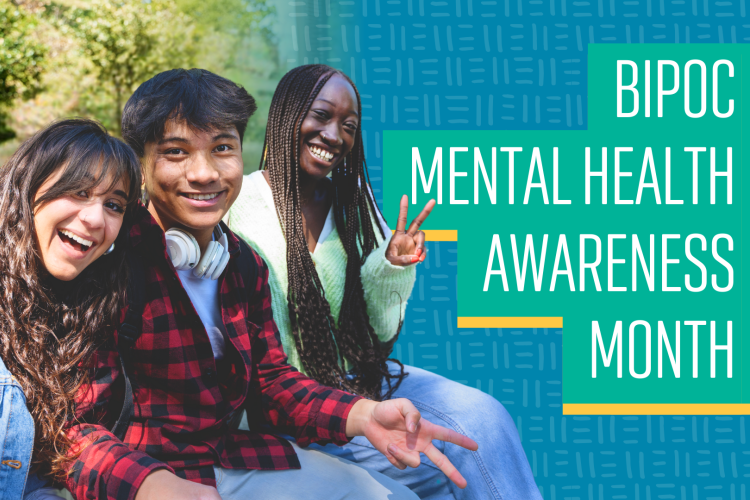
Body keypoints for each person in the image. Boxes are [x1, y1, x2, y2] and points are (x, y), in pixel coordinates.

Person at [60, 68, 477, 500]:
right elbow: (71, 428)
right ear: (140, 166)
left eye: (222, 148)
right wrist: (151, 485)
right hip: (134, 474)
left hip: (229, 459)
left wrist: (364, 413)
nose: (204, 173)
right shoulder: (106, 261)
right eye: (176, 152)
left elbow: (273, 381)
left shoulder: (243, 265)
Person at [226, 64, 543, 500]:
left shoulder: (357, 210)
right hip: (277, 408)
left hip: (358, 381)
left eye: (349, 126)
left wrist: (392, 266)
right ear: (287, 113)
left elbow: (377, 336)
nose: (334, 135)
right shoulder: (235, 202)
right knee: (412, 482)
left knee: (483, 418)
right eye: (320, 115)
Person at [0, 119, 143, 500]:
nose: (95, 219)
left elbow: (45, 465)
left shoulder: (90, 312)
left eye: (114, 205)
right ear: (28, 187)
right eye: (78, 191)